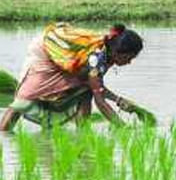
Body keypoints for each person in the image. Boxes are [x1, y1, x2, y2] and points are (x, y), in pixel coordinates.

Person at [1, 23, 144, 130]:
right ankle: (3, 133)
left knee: (85, 90)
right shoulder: (96, 59)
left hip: (69, 62)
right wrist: (123, 128)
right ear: (117, 52)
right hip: (47, 51)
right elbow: (100, 101)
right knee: (25, 99)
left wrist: (118, 100)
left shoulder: (109, 54)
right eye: (128, 57)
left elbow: (96, 86)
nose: (129, 62)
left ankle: (83, 132)